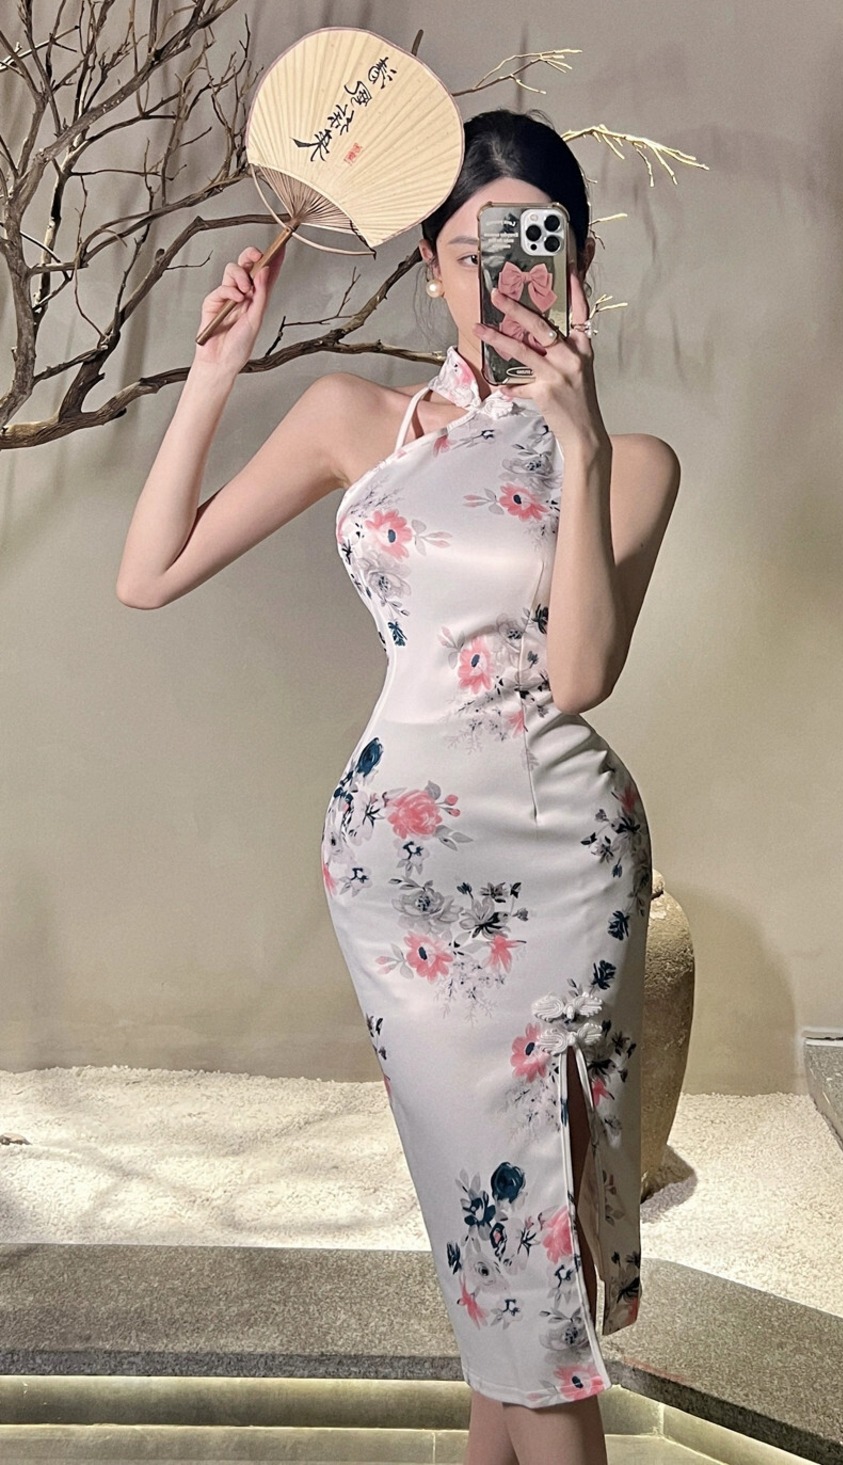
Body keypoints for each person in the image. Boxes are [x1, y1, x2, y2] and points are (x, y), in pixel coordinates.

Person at [116, 106, 681, 1465]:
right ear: (430, 267)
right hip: (402, 885)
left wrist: (584, 444)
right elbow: (149, 572)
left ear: (581, 264)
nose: (503, 282)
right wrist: (213, 370)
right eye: (473, 254)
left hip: (562, 870)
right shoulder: (351, 420)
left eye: (534, 248)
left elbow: (581, 675)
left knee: (532, 1268)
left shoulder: (638, 463)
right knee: (494, 1266)